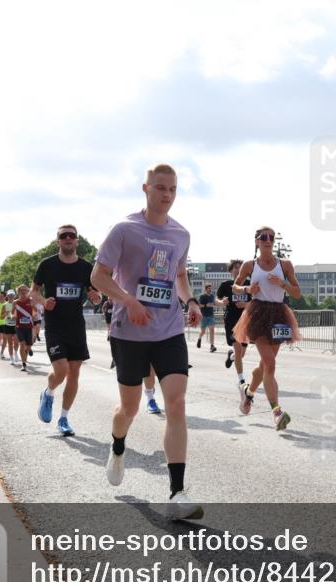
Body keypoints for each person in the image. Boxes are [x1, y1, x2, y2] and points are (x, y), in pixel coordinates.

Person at [91, 163, 203, 519]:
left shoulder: (181, 234)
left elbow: (181, 275)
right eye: (160, 188)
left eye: (172, 189)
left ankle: (177, 493)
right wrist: (128, 300)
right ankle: (118, 447)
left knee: (177, 404)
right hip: (129, 332)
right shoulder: (125, 229)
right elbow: (98, 276)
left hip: (169, 330)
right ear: (145, 188)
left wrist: (191, 300)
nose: (167, 195)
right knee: (129, 409)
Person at [32, 225, 101, 437]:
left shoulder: (86, 267)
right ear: (58, 241)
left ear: (77, 241)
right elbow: (34, 291)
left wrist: (96, 297)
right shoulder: (47, 264)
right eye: (64, 236)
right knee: (61, 370)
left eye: (72, 235)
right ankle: (49, 392)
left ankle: (63, 418)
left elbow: (95, 292)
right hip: (54, 325)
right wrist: (44, 301)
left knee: (74, 373)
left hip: (76, 325)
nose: (68, 238)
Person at [232, 226, 302, 429]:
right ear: (257, 241)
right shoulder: (249, 265)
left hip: (279, 315)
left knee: (264, 366)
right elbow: (235, 287)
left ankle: (248, 393)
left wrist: (283, 284)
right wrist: (247, 288)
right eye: (264, 237)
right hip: (258, 314)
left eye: (272, 237)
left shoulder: (285, 264)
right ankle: (277, 412)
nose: (268, 239)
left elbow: (297, 293)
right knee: (270, 364)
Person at [216, 259, 251, 396]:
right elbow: (216, 299)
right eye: (235, 268)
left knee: (240, 354)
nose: (237, 269)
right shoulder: (226, 285)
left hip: (245, 320)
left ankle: (231, 357)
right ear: (230, 271)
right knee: (237, 348)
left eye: (240, 267)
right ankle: (241, 380)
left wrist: (246, 304)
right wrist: (222, 302)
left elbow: (257, 301)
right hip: (231, 320)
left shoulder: (249, 284)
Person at [13, 285, 36, 372]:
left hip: (29, 326)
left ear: (27, 291)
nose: (23, 292)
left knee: (28, 345)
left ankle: (29, 349)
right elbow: (12, 313)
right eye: (21, 290)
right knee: (22, 343)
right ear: (18, 292)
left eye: (25, 290)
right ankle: (23, 364)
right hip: (19, 326)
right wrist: (13, 316)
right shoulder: (16, 302)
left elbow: (35, 311)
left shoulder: (31, 301)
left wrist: (34, 315)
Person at [196, 284, 217, 352]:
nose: (210, 290)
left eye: (211, 288)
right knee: (203, 331)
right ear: (206, 289)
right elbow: (198, 305)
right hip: (204, 316)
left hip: (211, 315)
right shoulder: (202, 296)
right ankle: (199, 338)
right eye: (209, 288)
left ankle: (212, 346)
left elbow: (214, 303)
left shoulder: (212, 296)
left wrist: (214, 304)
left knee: (212, 330)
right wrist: (205, 305)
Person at [2, 290, 18, 364]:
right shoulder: (4, 305)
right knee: (10, 343)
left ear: (14, 296)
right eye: (9, 295)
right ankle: (11, 358)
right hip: (7, 325)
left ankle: (16, 353)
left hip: (16, 325)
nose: (11, 297)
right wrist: (6, 313)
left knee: (16, 341)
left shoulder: (17, 303)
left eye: (12, 295)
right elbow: (1, 317)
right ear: (7, 296)